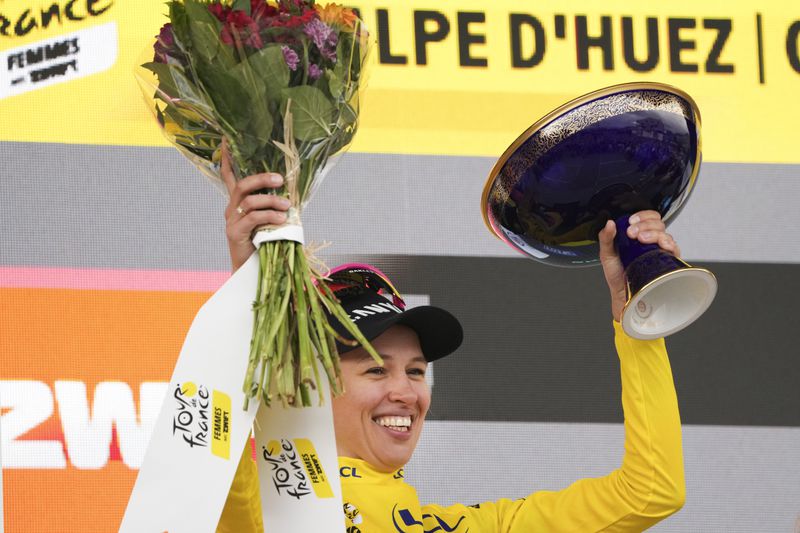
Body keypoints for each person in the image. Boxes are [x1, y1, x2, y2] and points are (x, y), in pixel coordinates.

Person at [215, 149, 686, 532]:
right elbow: (223, 488)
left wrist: (634, 316)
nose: (406, 391)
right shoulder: (267, 513)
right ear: (308, 386)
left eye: (416, 370)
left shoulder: (462, 527)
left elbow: (650, 490)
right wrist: (247, 290)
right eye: (376, 368)